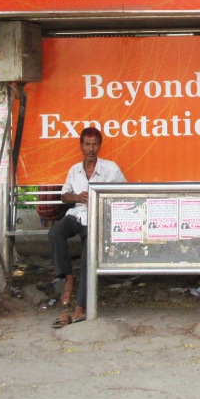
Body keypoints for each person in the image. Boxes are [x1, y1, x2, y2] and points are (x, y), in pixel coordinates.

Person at [50, 127, 126, 328]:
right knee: (55, 232)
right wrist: (77, 197)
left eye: (94, 144)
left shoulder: (111, 169)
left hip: (98, 217)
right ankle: (67, 277)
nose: (91, 148)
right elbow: (64, 195)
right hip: (76, 215)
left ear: (100, 145)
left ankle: (80, 307)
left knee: (87, 256)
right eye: (87, 144)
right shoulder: (75, 170)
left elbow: (124, 194)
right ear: (81, 145)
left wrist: (102, 199)